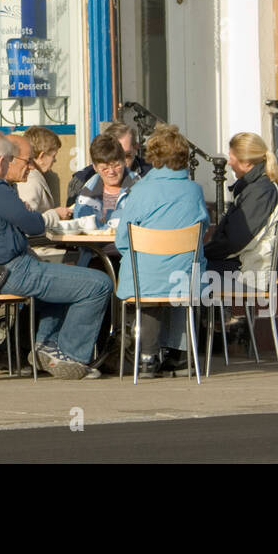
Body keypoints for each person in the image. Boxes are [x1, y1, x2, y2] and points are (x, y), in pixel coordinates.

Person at [0, 130, 111, 380]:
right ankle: (70, 355)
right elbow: (33, 225)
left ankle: (45, 348)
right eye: (17, 160)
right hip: (8, 271)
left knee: (61, 280)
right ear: (1, 161)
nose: (28, 166)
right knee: (98, 284)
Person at [113, 122, 210, 378]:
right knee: (181, 278)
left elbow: (123, 238)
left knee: (150, 286)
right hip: (184, 277)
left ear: (153, 157)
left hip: (145, 277)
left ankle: (146, 357)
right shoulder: (194, 191)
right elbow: (203, 229)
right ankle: (181, 354)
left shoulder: (141, 190)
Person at [203, 131, 278, 280]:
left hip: (251, 270)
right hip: (247, 264)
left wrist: (202, 253)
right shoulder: (256, 188)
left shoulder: (261, 191)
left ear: (246, 162)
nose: (228, 162)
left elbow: (235, 242)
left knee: (189, 273)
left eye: (231, 158)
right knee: (192, 269)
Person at [66, 120, 149, 205]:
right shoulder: (82, 181)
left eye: (127, 155)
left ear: (136, 148)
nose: (122, 162)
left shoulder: (151, 175)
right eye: (114, 157)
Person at [71, 133, 142, 230]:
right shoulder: (87, 191)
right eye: (104, 168)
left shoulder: (139, 188)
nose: (111, 172)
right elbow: (79, 226)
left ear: (124, 162)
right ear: (95, 168)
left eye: (117, 165)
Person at [15, 126, 73, 230]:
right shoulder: (30, 181)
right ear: (41, 156)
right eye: (53, 156)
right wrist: (56, 214)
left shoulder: (34, 177)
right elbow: (26, 223)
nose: (55, 161)